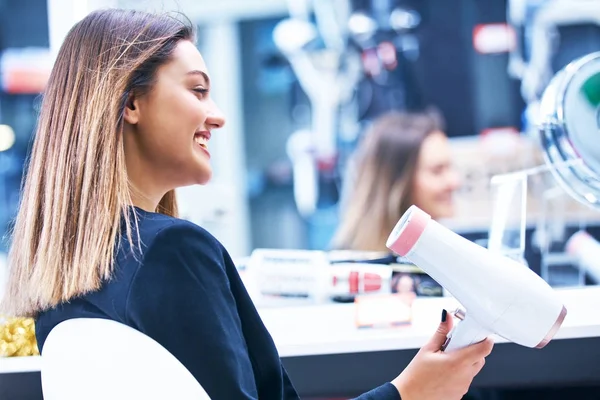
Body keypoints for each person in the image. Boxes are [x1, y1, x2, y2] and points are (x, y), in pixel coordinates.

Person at [0, 9, 492, 399]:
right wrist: (409, 394)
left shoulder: (66, 281)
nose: (217, 116)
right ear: (129, 103)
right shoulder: (172, 254)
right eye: (197, 90)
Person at [332, 110, 461, 252]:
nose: (454, 182)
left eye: (450, 168)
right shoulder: (349, 266)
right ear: (397, 182)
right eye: (437, 171)